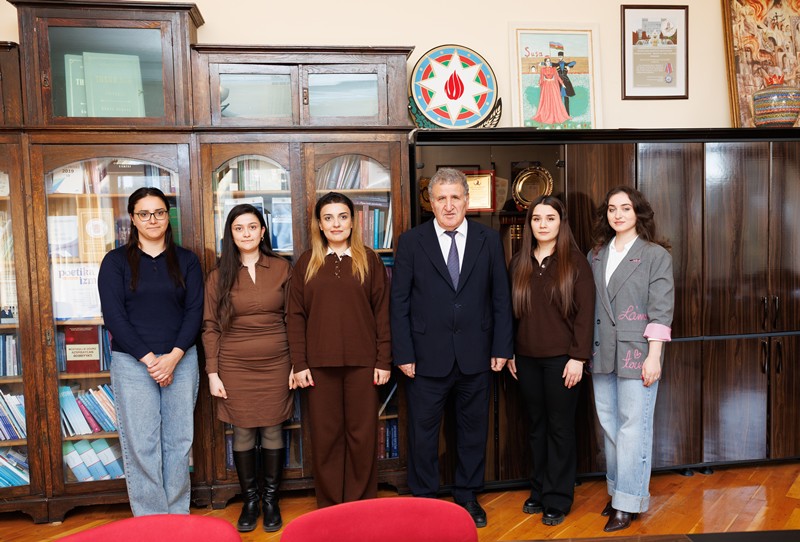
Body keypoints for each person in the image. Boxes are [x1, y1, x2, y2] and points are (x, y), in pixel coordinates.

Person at [390, 167, 513, 528]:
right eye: (440, 198)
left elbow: (501, 298)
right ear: (430, 202)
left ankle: (467, 495)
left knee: (472, 431)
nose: (448, 205)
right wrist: (404, 353)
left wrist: (502, 347)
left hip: (477, 354)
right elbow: (399, 302)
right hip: (424, 357)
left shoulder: (488, 240)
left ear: (466, 200)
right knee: (423, 434)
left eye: (455, 197)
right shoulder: (411, 241)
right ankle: (425, 500)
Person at [97, 187, 203, 516]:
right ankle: (151, 520)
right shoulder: (115, 262)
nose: (152, 220)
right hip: (133, 363)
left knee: (179, 441)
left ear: (167, 216)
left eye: (159, 212)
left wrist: (173, 357)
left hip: (181, 360)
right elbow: (114, 317)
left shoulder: (187, 260)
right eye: (144, 214)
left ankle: (177, 515)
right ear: (133, 218)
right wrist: (151, 361)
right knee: (141, 444)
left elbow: (195, 312)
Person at [286, 191, 391, 508]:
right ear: (319, 224)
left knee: (362, 436)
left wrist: (383, 360)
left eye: (342, 217)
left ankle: (360, 505)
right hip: (318, 365)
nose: (336, 224)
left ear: (353, 221)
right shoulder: (306, 262)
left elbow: (382, 313)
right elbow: (295, 316)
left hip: (363, 363)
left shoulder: (369, 260)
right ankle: (331, 506)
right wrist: (299, 363)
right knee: (326, 437)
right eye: (328, 218)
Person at [202, 203, 293, 532]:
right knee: (242, 431)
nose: (246, 233)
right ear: (231, 234)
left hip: (278, 362)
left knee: (272, 429)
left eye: (252, 227)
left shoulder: (282, 268)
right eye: (238, 228)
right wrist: (213, 373)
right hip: (234, 365)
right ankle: (250, 501)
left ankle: (270, 501)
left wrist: (297, 364)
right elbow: (210, 326)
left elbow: (294, 319)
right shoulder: (218, 275)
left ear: (263, 231)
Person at [589, 186, 674, 533]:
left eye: (625, 208)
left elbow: (661, 310)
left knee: (633, 429)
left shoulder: (655, 255)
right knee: (610, 426)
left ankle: (628, 502)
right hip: (600, 352)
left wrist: (654, 356)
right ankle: (617, 492)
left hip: (637, 352)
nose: (618, 214)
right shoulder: (596, 254)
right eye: (612, 209)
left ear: (638, 212)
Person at [507, 195, 595, 527]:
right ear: (529, 224)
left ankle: (557, 498)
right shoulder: (519, 262)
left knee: (560, 428)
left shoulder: (575, 262)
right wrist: (510, 351)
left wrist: (578, 357)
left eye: (550, 218)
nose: (542, 224)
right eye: (536, 219)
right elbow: (510, 313)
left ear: (561, 223)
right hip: (526, 359)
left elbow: (586, 314)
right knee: (536, 427)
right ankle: (539, 489)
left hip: (563, 361)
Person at [533, 57, 571, 125]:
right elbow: (541, 78)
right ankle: (546, 115)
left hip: (553, 86)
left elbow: (557, 77)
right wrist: (538, 85)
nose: (548, 62)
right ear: (545, 62)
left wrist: (562, 84)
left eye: (549, 61)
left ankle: (555, 115)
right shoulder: (542, 69)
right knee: (546, 100)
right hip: (546, 86)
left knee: (554, 99)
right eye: (547, 61)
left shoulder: (554, 69)